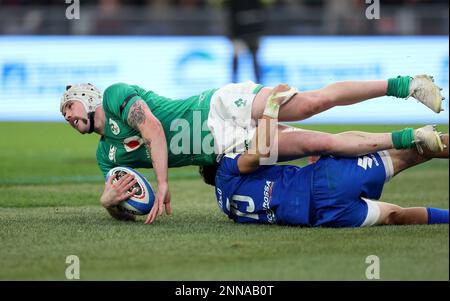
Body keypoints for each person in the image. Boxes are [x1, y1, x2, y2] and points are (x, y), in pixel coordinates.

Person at [60, 75, 445, 223]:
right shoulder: (103, 156)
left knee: (310, 104)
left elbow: (154, 129)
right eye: (63, 114)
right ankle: (412, 138)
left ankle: (405, 85)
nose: (66, 115)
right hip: (226, 149)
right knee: (321, 143)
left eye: (69, 106)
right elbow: (127, 196)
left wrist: (162, 181)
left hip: (216, 108)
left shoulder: (113, 97)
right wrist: (109, 203)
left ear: (87, 96)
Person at [199, 84, 449, 227]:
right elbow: (257, 155)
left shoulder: (226, 207)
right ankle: (408, 134)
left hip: (327, 215)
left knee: (395, 216)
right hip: (325, 182)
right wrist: (271, 106)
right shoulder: (229, 166)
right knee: (415, 152)